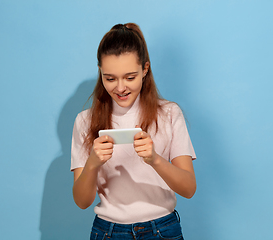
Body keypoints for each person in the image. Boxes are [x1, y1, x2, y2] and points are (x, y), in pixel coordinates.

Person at [71, 23, 196, 240]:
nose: (120, 88)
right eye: (110, 78)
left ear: (145, 69)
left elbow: (188, 188)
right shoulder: (85, 121)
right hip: (108, 232)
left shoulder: (169, 113)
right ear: (100, 71)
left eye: (130, 77)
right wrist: (92, 163)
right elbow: (82, 202)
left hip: (162, 230)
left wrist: (154, 159)